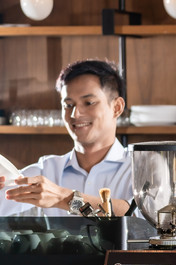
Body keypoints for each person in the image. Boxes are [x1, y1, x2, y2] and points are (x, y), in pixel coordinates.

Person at [0, 59, 133, 217]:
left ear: (117, 107)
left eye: (89, 102)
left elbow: (140, 218)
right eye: (68, 105)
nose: (75, 114)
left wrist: (63, 198)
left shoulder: (138, 169)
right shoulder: (46, 170)